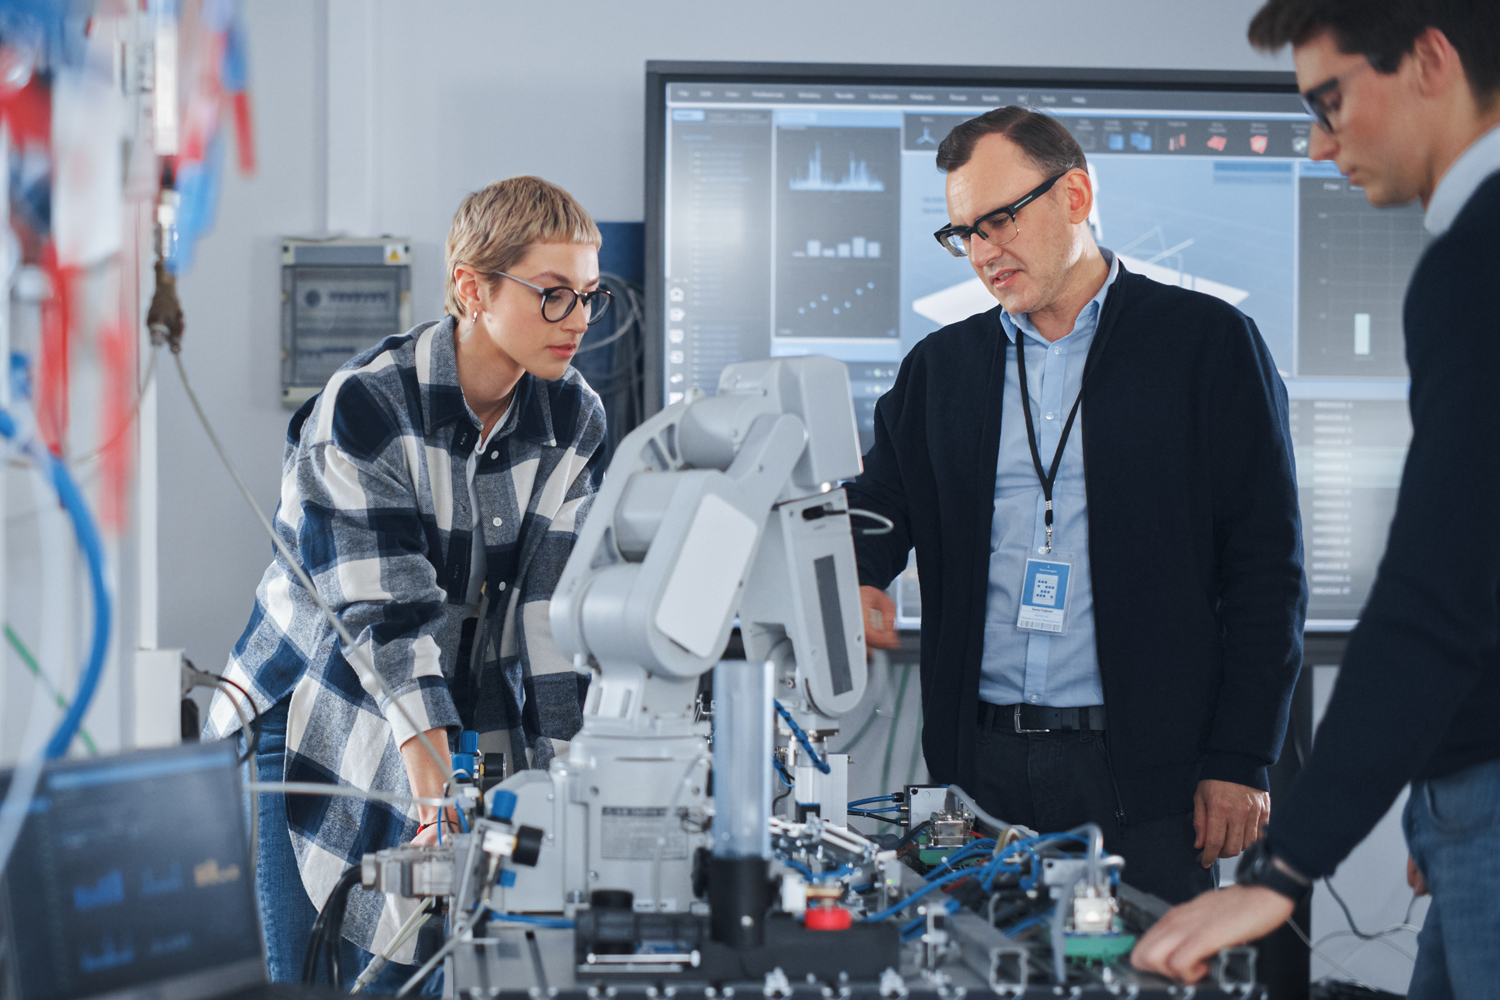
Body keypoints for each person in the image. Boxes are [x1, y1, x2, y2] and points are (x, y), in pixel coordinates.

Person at [846, 107, 1307, 904]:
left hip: (1147, 778)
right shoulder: (941, 369)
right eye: (965, 234)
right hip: (977, 774)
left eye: (999, 220)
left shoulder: (1208, 345)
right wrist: (850, 576)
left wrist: (1240, 757)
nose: (985, 253)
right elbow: (880, 508)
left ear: (1075, 195)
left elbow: (1268, 569)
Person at [1132, 1, 1500, 991]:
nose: (1320, 142)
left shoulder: (1475, 264)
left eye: (1331, 101)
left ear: (1430, 60)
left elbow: (1440, 589)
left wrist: (1287, 864)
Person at [203, 176, 609, 989]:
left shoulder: (574, 418)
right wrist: (437, 796)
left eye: (591, 297)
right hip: (319, 707)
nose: (578, 322)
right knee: (333, 970)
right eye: (553, 295)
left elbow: (548, 620)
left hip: (455, 705)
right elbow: (383, 625)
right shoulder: (366, 408)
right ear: (471, 287)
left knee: (444, 963)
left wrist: (573, 790)